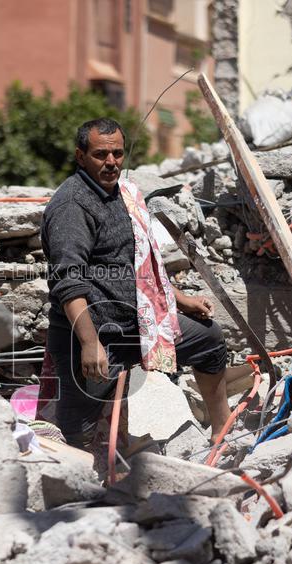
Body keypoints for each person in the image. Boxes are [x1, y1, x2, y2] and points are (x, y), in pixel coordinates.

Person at [40, 117, 231, 450]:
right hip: (92, 335)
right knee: (77, 434)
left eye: (117, 153)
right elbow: (68, 280)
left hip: (138, 325)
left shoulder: (121, 195)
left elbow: (136, 264)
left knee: (209, 340)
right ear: (80, 156)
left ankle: (222, 434)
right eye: (101, 154)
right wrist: (89, 342)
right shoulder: (72, 205)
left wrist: (180, 299)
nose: (111, 162)